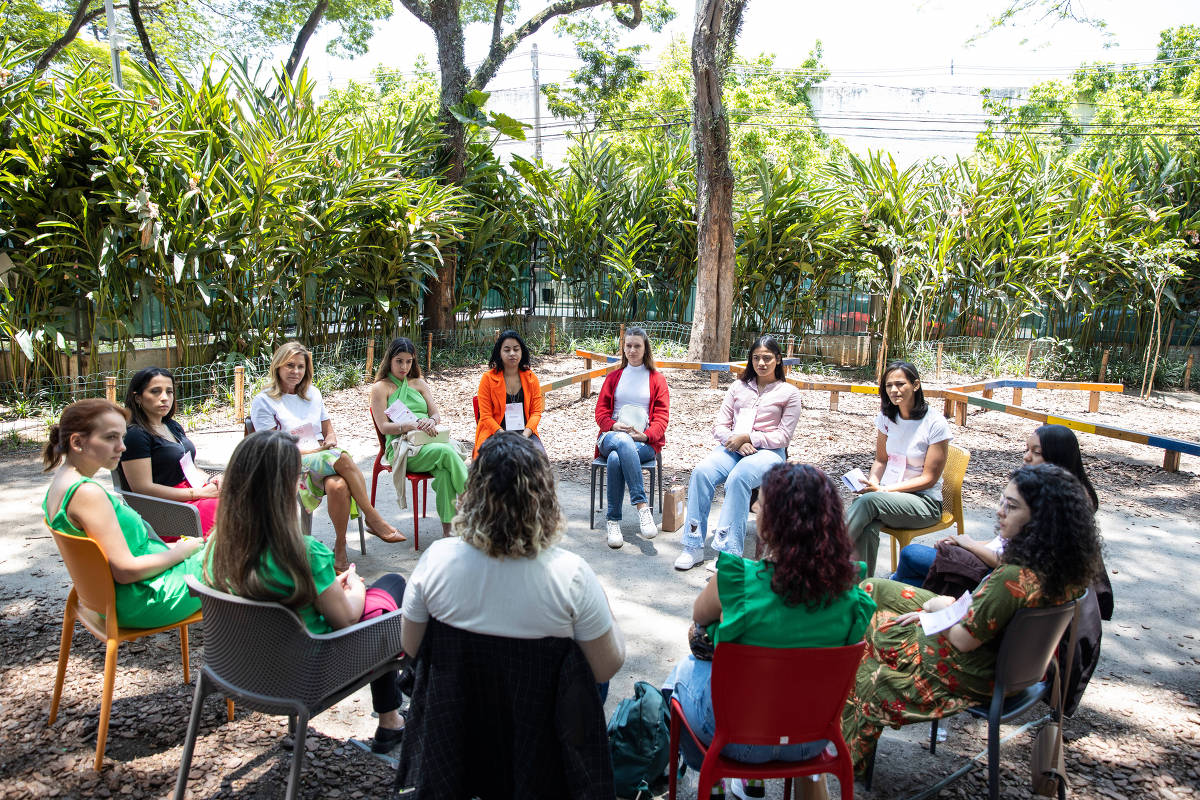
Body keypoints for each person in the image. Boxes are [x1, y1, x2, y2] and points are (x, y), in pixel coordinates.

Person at [842, 463, 1102, 776]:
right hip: (996, 650)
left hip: (968, 669)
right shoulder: (1061, 569)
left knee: (874, 637)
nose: (1000, 511)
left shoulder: (1013, 579)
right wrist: (951, 607)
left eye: (1012, 506)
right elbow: (989, 614)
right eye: (1003, 501)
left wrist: (938, 608)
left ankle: (847, 746)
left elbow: (964, 640)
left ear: (1042, 520)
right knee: (874, 588)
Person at [664, 463, 876, 800]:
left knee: (677, 678)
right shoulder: (853, 598)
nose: (753, 508)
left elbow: (699, 618)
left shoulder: (736, 580)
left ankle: (715, 776)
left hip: (738, 739)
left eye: (760, 503)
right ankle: (750, 783)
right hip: (812, 740)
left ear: (778, 521)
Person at [203, 431, 407, 753]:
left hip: (239, 672)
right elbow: (346, 619)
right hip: (307, 672)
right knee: (391, 588)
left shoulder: (219, 545)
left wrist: (325, 588)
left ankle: (403, 682)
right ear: (285, 487)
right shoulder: (304, 552)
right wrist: (354, 588)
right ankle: (391, 718)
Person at [401, 432, 624, 692]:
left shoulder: (436, 560)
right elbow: (607, 667)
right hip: (542, 727)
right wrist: (605, 609)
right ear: (545, 499)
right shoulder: (572, 575)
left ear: (471, 494)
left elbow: (411, 646)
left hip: (458, 723)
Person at [42, 398, 203, 628]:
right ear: (77, 442)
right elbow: (125, 571)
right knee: (241, 554)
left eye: (121, 437)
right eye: (110, 438)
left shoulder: (61, 483)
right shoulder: (87, 494)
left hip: (121, 596)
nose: (122, 447)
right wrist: (180, 552)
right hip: (145, 598)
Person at [251, 341, 404, 572]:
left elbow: (328, 429)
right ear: (278, 366)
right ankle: (373, 518)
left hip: (320, 458)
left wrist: (329, 440)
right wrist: (317, 450)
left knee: (339, 485)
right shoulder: (264, 400)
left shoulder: (312, 393)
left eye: (301, 367)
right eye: (290, 365)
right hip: (286, 463)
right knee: (341, 459)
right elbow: (272, 447)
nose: (295, 371)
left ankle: (340, 549)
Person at [891, 423, 1099, 587]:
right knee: (910, 579)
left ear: (1057, 457)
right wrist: (965, 541)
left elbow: (1015, 562)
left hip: (996, 574)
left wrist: (970, 545)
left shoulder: (1060, 503)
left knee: (911, 555)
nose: (1026, 457)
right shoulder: (1045, 488)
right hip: (991, 558)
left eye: (1036, 452)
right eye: (1026, 449)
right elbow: (1004, 542)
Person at [676, 335, 802, 571]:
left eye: (767, 358)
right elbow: (720, 426)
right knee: (702, 472)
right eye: (756, 358)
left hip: (770, 454)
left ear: (778, 359)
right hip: (734, 448)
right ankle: (692, 546)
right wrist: (738, 441)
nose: (761, 363)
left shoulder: (789, 393)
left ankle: (728, 552)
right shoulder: (738, 387)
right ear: (750, 360)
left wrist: (750, 438)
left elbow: (783, 436)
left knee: (739, 478)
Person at [844, 361, 951, 576]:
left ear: (916, 385)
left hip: (924, 503)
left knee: (868, 502)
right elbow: (881, 460)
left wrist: (883, 491)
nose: (894, 390)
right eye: (888, 385)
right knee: (867, 524)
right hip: (888, 498)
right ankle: (859, 589)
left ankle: (822, 555)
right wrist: (873, 482)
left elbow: (929, 479)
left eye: (900, 384)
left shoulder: (935, 423)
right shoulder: (886, 417)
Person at [370, 337, 468, 538]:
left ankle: (448, 533)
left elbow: (436, 415)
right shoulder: (381, 387)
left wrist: (431, 422)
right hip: (403, 446)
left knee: (444, 473)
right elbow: (383, 426)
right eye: (399, 361)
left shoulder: (419, 383)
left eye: (409, 361)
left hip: (430, 439)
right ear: (390, 359)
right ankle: (472, 499)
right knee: (446, 452)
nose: (404, 366)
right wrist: (407, 426)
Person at [119, 367, 220, 538]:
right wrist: (199, 493)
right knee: (237, 512)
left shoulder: (172, 426)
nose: (165, 398)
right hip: (169, 511)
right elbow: (142, 488)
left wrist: (213, 480)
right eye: (155, 392)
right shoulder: (135, 435)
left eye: (169, 391)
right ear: (137, 398)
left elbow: (189, 466)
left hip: (193, 495)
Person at [594, 326, 670, 549]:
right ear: (623, 348)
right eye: (628, 345)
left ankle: (613, 521)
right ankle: (641, 506)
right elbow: (600, 413)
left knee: (617, 459)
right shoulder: (614, 377)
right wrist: (614, 425)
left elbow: (662, 419)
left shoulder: (657, 379)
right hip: (610, 436)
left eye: (637, 345)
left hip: (644, 443)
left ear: (645, 348)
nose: (632, 350)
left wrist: (645, 436)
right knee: (621, 442)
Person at [473, 329, 545, 458]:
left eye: (516, 349)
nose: (512, 353)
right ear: (499, 353)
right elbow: (485, 416)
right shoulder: (488, 378)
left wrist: (523, 437)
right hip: (495, 433)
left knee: (539, 458)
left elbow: (536, 413)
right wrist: (505, 437)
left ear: (522, 352)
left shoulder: (531, 378)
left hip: (525, 433)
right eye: (507, 350)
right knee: (494, 460)